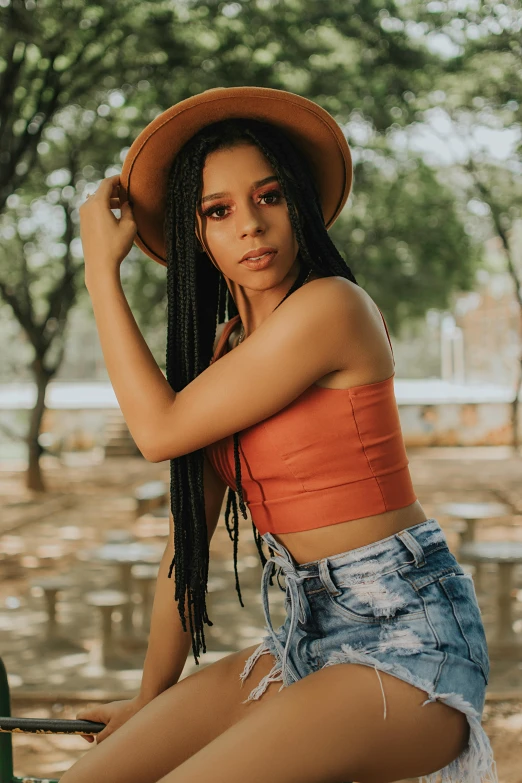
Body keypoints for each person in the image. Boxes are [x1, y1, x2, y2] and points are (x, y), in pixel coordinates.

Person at [64, 87, 497, 783]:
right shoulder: (226, 356)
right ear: (197, 234)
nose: (250, 225)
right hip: (307, 634)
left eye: (268, 197)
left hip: (409, 639)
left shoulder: (332, 306)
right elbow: (186, 543)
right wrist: (149, 699)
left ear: (297, 201)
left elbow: (157, 430)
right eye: (218, 210)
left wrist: (98, 270)